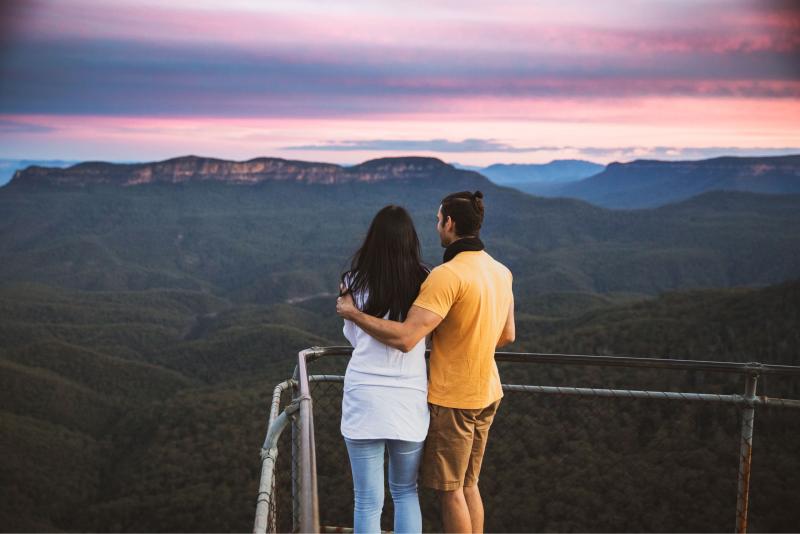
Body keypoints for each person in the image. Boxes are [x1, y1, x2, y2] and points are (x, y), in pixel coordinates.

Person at [337, 190, 515, 534]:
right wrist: (468, 342)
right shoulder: (500, 271)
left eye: (438, 219)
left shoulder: (444, 276)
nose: (436, 226)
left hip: (447, 395)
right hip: (484, 389)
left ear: (449, 222)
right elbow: (506, 335)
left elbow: (405, 338)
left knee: (394, 497)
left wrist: (354, 313)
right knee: (450, 487)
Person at [338, 205, 431, 534]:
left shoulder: (353, 281)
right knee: (406, 492)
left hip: (364, 397)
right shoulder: (426, 282)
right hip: (408, 398)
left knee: (366, 499)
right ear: (410, 240)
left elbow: (353, 336)